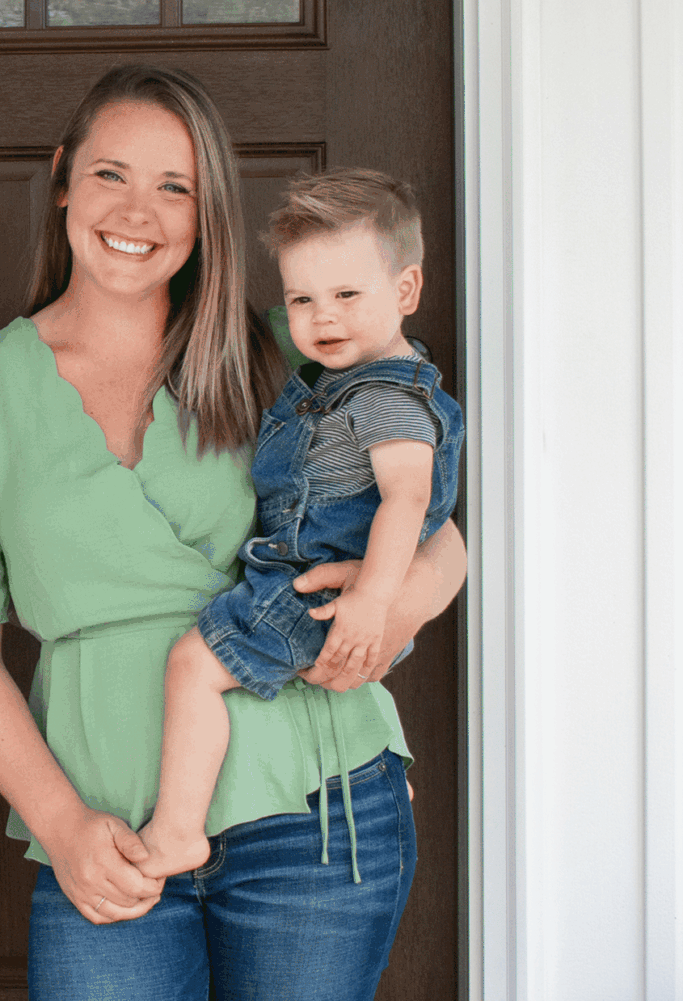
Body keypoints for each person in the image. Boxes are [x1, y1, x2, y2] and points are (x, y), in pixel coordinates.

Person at [0, 65, 466, 1001]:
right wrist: (57, 823)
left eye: (176, 185)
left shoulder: (288, 351)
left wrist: (389, 615)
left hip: (319, 811)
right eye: (111, 172)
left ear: (209, 212)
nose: (138, 209)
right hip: (103, 829)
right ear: (61, 183)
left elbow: (436, 523)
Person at [139, 169, 464, 878]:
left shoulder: (381, 397)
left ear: (406, 291)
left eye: (348, 294)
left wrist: (376, 601)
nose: (324, 318)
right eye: (301, 300)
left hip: (310, 587)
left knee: (193, 666)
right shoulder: (343, 380)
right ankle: (363, 767)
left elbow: (410, 502)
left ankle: (176, 832)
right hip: (327, 582)